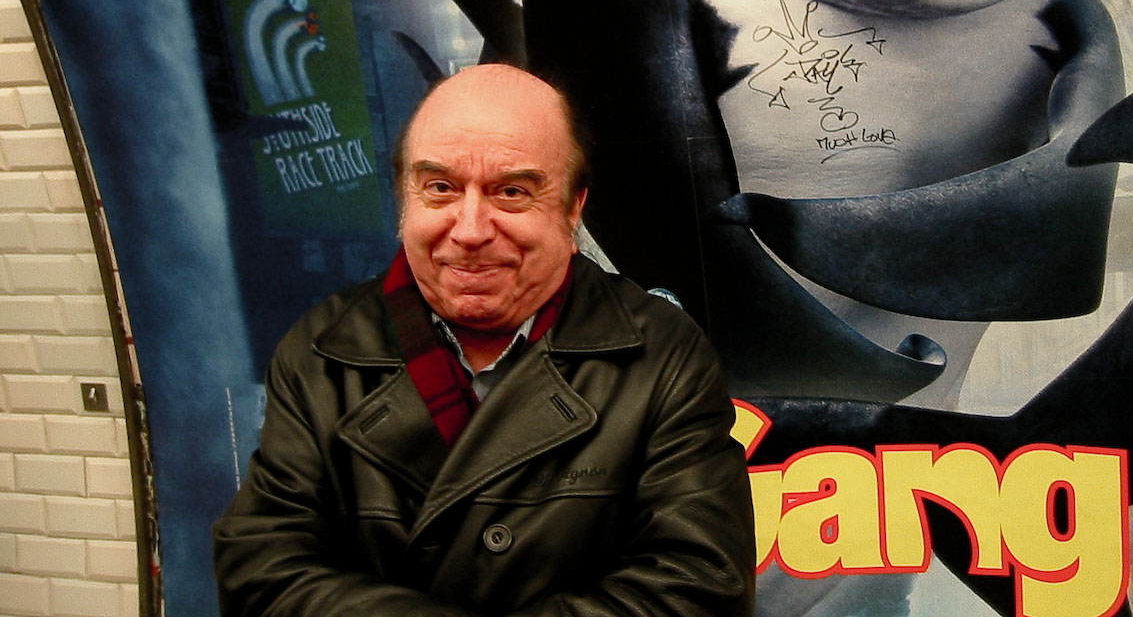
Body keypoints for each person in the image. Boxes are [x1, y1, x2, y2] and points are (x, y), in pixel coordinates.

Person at [213, 64, 755, 617]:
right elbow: (263, 571)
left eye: (512, 192)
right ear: (405, 202)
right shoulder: (321, 353)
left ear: (572, 209)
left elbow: (700, 585)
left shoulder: (662, 354)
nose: (470, 229)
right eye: (440, 188)